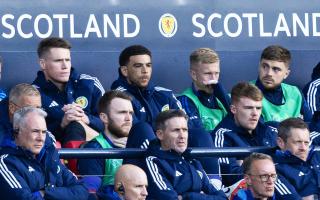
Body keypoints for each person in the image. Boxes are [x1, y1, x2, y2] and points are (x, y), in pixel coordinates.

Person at [0, 107, 88, 199]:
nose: (41, 138)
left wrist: (45, 193)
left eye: (44, 132)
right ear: (17, 132)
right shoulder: (6, 163)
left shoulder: (50, 156)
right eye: (35, 131)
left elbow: (82, 191)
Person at [32, 37, 104, 147]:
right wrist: (62, 123)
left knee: (76, 124)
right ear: (43, 64)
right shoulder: (33, 94)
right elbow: (31, 134)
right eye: (58, 61)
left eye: (67, 60)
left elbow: (112, 122)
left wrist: (86, 118)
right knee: (73, 125)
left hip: (99, 149)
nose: (65, 66)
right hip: (58, 155)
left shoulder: (89, 83)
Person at [144, 109, 227, 199]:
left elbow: (222, 197)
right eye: (176, 130)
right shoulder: (154, 161)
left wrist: (188, 197)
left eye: (185, 130)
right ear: (160, 134)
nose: (182, 135)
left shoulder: (193, 162)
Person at [211, 82, 278, 185]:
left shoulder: (269, 130)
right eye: (249, 108)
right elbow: (231, 177)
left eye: (258, 108)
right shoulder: (222, 135)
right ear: (233, 109)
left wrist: (245, 165)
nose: (255, 113)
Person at [78, 90, 134, 199]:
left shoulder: (139, 145)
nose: (128, 118)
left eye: (130, 113)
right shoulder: (94, 149)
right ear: (104, 117)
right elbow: (92, 194)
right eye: (122, 112)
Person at [111, 44, 182, 128]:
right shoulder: (117, 99)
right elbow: (135, 134)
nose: (145, 71)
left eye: (148, 65)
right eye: (138, 66)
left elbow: (185, 127)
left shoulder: (165, 94)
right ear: (125, 71)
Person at [253, 45, 311, 123]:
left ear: (286, 74)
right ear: (259, 66)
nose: (269, 73)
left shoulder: (295, 93)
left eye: (276, 69)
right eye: (265, 66)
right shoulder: (244, 92)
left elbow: (310, 126)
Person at [178, 47, 230, 131]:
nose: (213, 79)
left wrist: (223, 95)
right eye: (208, 73)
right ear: (194, 74)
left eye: (216, 73)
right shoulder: (185, 101)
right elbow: (199, 137)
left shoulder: (225, 98)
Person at [273, 117, 320, 199]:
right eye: (297, 142)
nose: (303, 148)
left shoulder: (316, 159)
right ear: (280, 143)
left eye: (306, 143)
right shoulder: (274, 170)